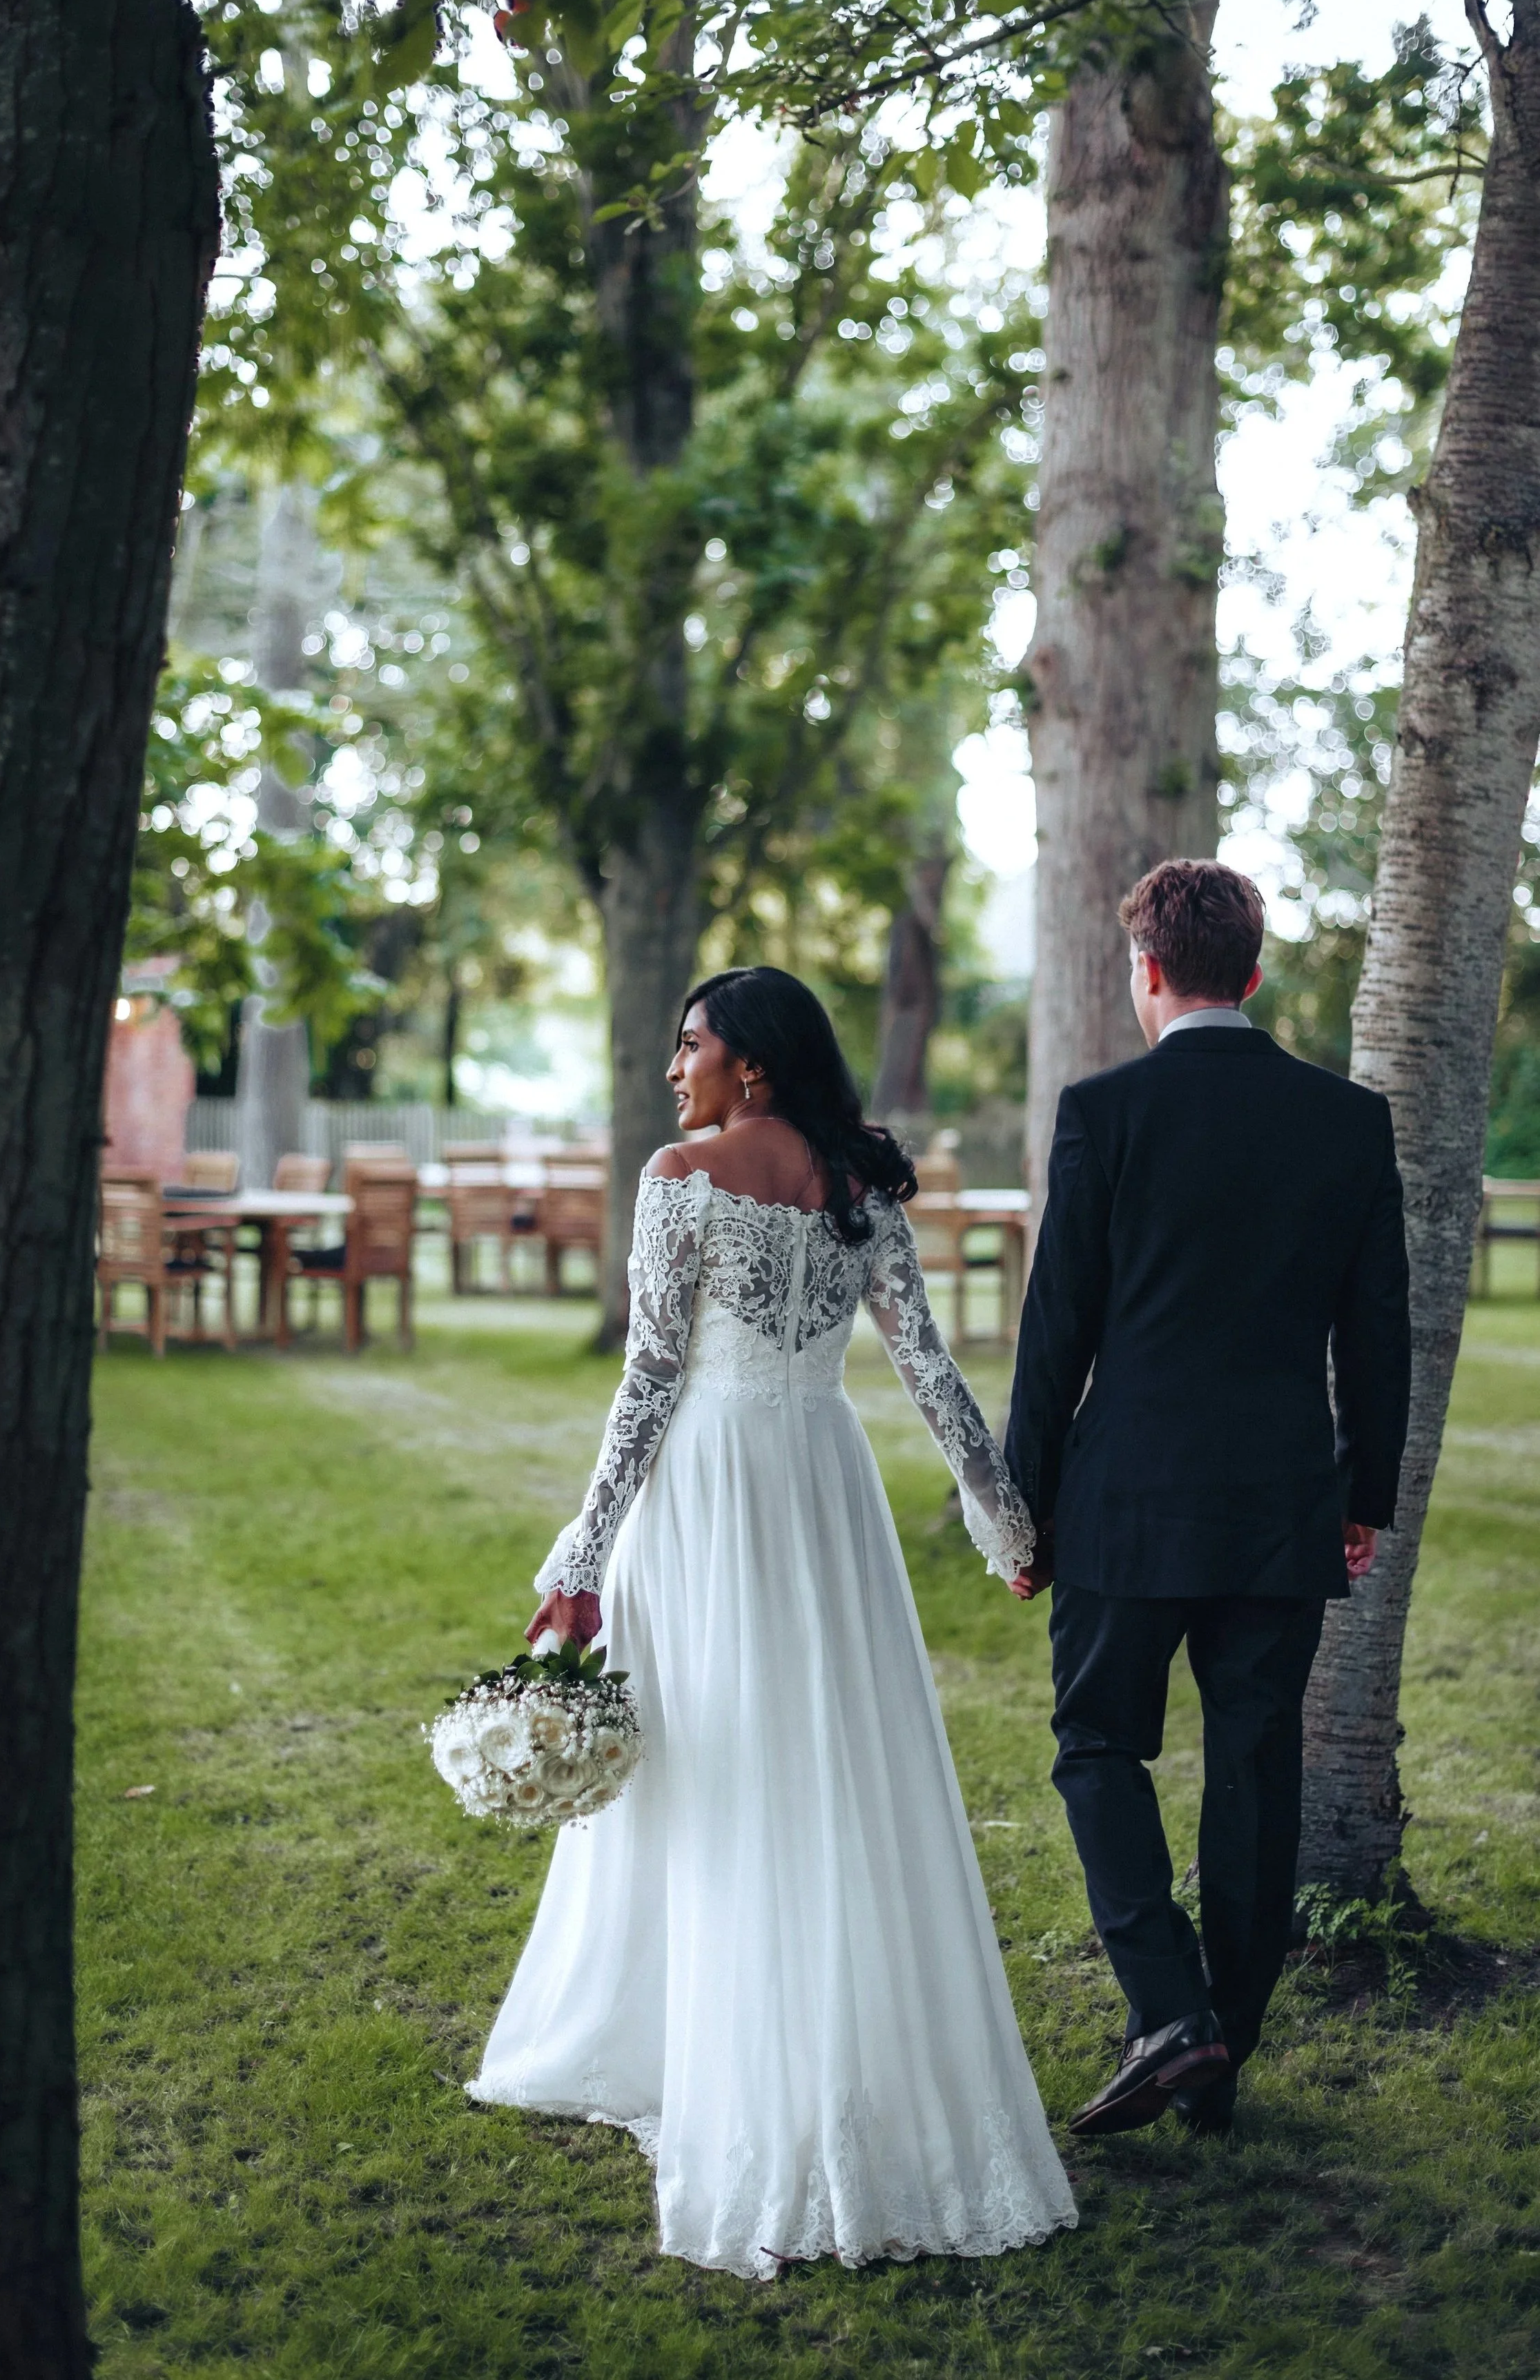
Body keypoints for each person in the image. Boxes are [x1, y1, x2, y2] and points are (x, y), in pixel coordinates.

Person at [468, 966, 1076, 2278]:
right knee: (820, 1760)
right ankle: (777, 2022)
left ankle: (730, 2054)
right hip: (822, 1483)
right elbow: (928, 1367)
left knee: (710, 1757)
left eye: (690, 1044)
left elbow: (649, 1378)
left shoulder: (681, 1174)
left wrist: (583, 1549)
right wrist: (1007, 1519)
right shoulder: (857, 1187)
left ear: (750, 1064)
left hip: (709, 1486)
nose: (672, 1065)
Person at [1004, 859, 1411, 2139]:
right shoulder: (1347, 1119)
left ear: (1148, 973)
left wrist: (1025, 1504)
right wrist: (1366, 1492)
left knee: (1097, 1749)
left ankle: (1170, 2010)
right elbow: (1381, 1333)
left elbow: (1055, 1327)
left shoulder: (1103, 1110)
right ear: (1250, 972)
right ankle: (1216, 2048)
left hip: (1125, 1498)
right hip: (1284, 1500)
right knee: (1255, 1767)